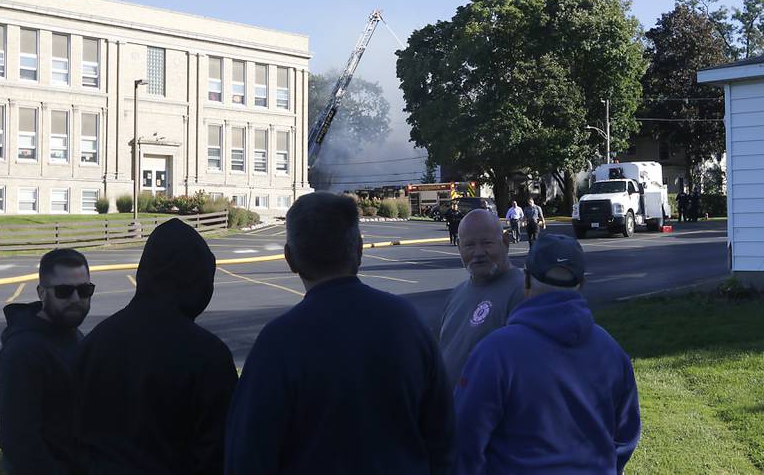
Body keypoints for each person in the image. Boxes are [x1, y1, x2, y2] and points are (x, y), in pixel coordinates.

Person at [224, 192, 454, 474]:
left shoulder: (277, 343)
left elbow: (248, 456)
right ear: (358, 249)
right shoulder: (409, 322)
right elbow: (444, 437)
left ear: (290, 259)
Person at [454, 233, 641, 474]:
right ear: (581, 284)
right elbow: (626, 436)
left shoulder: (495, 353)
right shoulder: (612, 352)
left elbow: (463, 441)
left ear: (526, 281)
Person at [75, 218, 238, 474]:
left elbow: (72, 434)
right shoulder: (207, 355)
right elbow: (217, 450)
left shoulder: (95, 341)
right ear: (199, 280)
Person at [0, 248, 94, 474]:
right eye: (64, 291)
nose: (76, 299)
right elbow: (18, 442)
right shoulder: (23, 353)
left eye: (85, 290)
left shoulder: (68, 331)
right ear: (41, 293)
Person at [438, 209, 525, 389]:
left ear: (506, 242)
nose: (478, 252)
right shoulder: (456, 294)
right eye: (469, 245)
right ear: (459, 248)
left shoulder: (524, 291)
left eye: (487, 243)